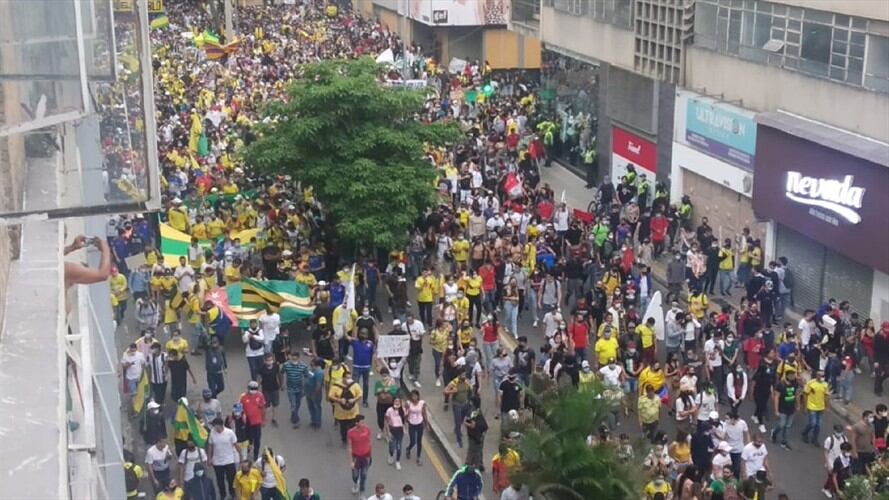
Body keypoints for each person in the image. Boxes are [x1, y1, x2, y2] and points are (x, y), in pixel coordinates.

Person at [207, 417, 239, 500]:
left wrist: (241, 457)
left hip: (229, 460)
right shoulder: (212, 433)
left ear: (220, 425)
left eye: (215, 425)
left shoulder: (230, 433)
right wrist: (209, 458)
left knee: (231, 479)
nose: (214, 427)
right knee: (220, 480)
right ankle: (223, 495)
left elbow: (236, 445)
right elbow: (210, 445)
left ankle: (232, 493)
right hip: (217, 462)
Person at [330, 373, 363, 445]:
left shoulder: (355, 385)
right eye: (347, 378)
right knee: (343, 428)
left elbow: (360, 394)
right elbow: (331, 395)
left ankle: (352, 439)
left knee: (353, 427)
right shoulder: (336, 386)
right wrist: (339, 400)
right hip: (341, 412)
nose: (349, 380)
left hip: (353, 412)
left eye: (350, 378)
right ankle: (344, 439)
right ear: (343, 378)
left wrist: (354, 399)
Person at [771, 370, 800, 450]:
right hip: (782, 408)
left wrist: (798, 405)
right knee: (781, 424)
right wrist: (776, 410)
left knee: (787, 426)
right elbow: (776, 397)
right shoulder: (781, 384)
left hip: (791, 409)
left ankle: (784, 441)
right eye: (791, 375)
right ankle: (774, 433)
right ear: (787, 376)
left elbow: (797, 394)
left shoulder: (795, 384)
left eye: (794, 375)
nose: (793, 377)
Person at [281, 350, 309, 428]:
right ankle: (296, 421)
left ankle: (293, 414)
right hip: (290, 388)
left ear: (298, 358)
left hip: (300, 389)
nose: (294, 360)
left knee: (298, 403)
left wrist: (306, 388)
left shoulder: (303, 366)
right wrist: (282, 384)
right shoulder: (286, 365)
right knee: (293, 404)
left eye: (295, 359)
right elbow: (281, 373)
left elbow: (307, 376)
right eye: (292, 359)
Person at [239, 381, 267, 461]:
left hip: (257, 421)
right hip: (247, 422)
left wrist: (263, 420)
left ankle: (255, 455)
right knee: (248, 439)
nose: (253, 391)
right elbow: (240, 409)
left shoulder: (260, 395)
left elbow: (263, 408)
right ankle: (248, 451)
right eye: (251, 389)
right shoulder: (243, 397)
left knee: (257, 439)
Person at [801, 370, 829, 445]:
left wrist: (826, 406)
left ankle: (815, 439)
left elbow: (826, 396)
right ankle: (805, 433)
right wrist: (805, 406)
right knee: (812, 423)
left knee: (818, 425)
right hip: (811, 406)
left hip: (820, 407)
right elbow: (805, 395)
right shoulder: (810, 383)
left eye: (823, 376)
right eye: (820, 375)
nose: (822, 377)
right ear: (817, 376)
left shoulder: (825, 385)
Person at [348, 414, 373, 494]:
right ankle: (355, 483)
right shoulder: (351, 432)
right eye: (361, 423)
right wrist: (351, 461)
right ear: (356, 423)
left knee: (364, 475)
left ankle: (362, 490)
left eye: (364, 422)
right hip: (356, 457)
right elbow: (350, 447)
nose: (363, 425)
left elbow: (369, 442)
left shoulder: (367, 429)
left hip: (366, 456)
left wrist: (370, 456)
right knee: (355, 475)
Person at [847, 410, 876, 475]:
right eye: (870, 417)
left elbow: (873, 437)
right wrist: (854, 452)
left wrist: (874, 448)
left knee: (867, 470)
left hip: (869, 451)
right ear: (865, 417)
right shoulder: (857, 426)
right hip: (859, 452)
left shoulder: (872, 426)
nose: (872, 418)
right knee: (858, 471)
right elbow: (853, 440)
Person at [405, 389, 429, 466]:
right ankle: (408, 449)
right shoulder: (408, 403)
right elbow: (405, 412)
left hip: (419, 424)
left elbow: (424, 413)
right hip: (411, 424)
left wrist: (426, 424)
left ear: (418, 396)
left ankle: (418, 457)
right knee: (413, 441)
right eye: (412, 396)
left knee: (419, 441)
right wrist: (404, 421)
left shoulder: (422, 403)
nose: (414, 397)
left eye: (415, 395)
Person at [257, 353, 282, 427]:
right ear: (265, 361)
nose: (270, 361)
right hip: (266, 390)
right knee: (265, 406)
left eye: (271, 360)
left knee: (275, 404)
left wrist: (281, 384)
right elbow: (259, 378)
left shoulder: (276, 366)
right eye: (268, 360)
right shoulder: (261, 368)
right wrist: (257, 388)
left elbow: (279, 375)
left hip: (275, 388)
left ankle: (274, 419)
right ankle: (263, 419)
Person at [464, 396, 488, 470]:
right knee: (479, 449)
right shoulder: (478, 410)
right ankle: (480, 464)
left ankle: (469, 465)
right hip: (481, 433)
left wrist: (465, 423)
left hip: (474, 435)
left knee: (472, 449)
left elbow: (472, 425)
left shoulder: (473, 412)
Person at [384, 397, 406, 470]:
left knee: (399, 447)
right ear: (393, 402)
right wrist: (387, 431)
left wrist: (405, 428)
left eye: (398, 401)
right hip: (392, 429)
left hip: (399, 431)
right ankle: (391, 455)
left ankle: (397, 461)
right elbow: (386, 421)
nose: (397, 402)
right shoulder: (389, 410)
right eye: (396, 401)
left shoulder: (403, 410)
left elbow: (404, 420)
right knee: (392, 447)